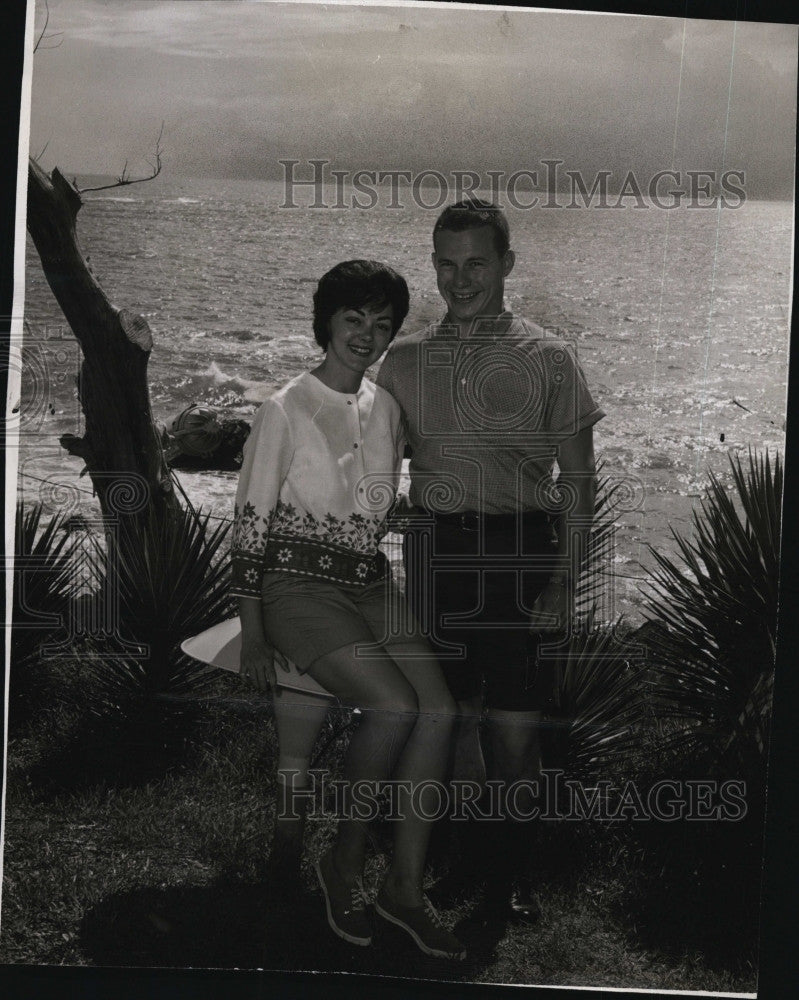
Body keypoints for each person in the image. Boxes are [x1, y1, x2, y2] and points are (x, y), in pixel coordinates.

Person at [376, 199, 605, 923]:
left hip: (519, 555)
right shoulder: (404, 359)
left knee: (511, 734)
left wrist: (563, 581)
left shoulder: (549, 358)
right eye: (445, 263)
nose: (458, 279)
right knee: (445, 724)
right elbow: (373, 468)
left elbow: (578, 481)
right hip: (437, 554)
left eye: (475, 262)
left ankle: (508, 883)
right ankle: (446, 865)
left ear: (506, 264)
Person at [231, 259, 465, 961]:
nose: (366, 335)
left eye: (381, 324)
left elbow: (367, 510)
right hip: (295, 588)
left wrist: (413, 515)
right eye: (353, 318)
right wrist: (251, 626)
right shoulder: (284, 407)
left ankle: (401, 888)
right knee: (393, 707)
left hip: (367, 582)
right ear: (326, 321)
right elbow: (249, 520)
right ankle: (344, 859)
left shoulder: (383, 407)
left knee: (442, 711)